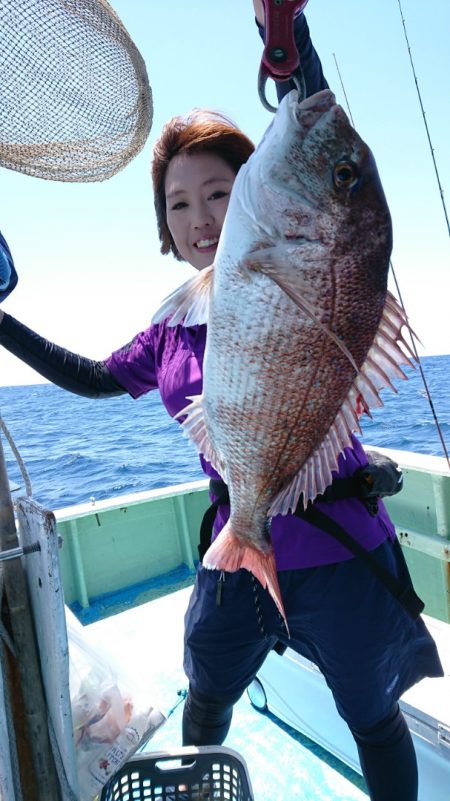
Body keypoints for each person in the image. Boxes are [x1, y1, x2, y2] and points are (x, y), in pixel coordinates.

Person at [0, 4, 443, 800]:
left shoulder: (299, 253)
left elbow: (319, 138)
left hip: (341, 548)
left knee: (373, 716)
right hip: (236, 539)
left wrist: (291, 42)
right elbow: (94, 378)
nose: (201, 217)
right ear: (164, 226)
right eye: (179, 203)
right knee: (206, 691)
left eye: (218, 191)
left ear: (254, 194)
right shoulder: (173, 327)